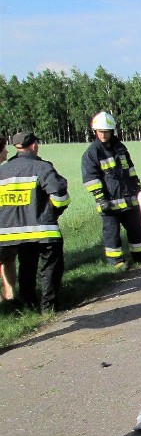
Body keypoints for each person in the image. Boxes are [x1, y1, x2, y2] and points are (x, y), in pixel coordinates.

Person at [0, 131, 70, 312]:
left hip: (13, 234)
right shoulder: (42, 167)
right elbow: (60, 196)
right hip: (44, 229)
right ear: (34, 146)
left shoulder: (2, 171)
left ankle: (28, 304)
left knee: (27, 267)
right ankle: (49, 307)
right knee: (50, 268)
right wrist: (54, 213)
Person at [81, 111, 141, 268]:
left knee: (136, 228)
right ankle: (116, 262)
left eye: (106, 131)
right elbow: (91, 179)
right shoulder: (92, 153)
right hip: (108, 202)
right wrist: (100, 198)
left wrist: (136, 186)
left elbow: (130, 169)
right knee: (111, 234)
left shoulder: (120, 148)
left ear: (111, 131)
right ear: (95, 131)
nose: (103, 135)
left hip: (128, 197)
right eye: (100, 132)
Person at [0, 135, 18, 301]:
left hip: (5, 226)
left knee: (9, 259)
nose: (6, 152)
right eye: (4, 149)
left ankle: (10, 296)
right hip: (5, 226)